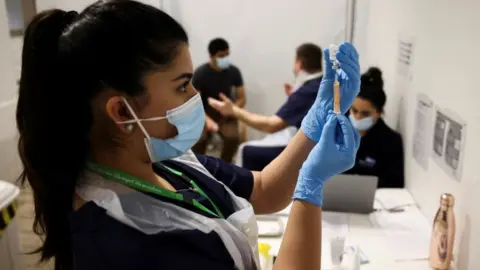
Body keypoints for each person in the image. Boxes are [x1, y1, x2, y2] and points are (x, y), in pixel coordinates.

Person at [15, 1, 360, 269]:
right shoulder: (126, 243)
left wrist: (315, 121)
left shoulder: (167, 162)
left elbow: (265, 190)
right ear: (122, 112)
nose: (195, 97)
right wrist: (310, 187)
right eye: (182, 86)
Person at [209, 43, 323, 170]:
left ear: (299, 63)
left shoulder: (307, 92)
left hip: (310, 148)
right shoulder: (323, 84)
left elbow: (271, 125)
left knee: (245, 149)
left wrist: (233, 110)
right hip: (321, 144)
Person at [344, 67, 405, 188]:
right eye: (354, 110)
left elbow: (394, 183)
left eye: (365, 113)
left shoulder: (390, 141)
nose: (358, 117)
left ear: (379, 112)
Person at [191, 38, 246, 162]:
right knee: (198, 139)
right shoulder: (200, 74)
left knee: (232, 138)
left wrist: (232, 109)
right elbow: (194, 103)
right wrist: (207, 120)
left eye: (227, 55)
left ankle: (224, 166)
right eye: (221, 56)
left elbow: (242, 98)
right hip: (204, 113)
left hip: (226, 114)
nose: (225, 58)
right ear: (211, 56)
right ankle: (200, 166)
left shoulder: (234, 71)